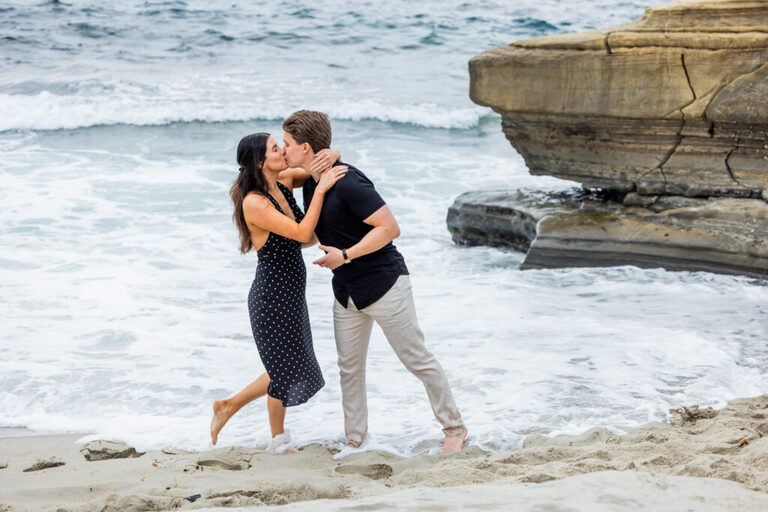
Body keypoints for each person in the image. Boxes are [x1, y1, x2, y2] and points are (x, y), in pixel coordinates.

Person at [281, 110, 468, 454]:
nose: (282, 150)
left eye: (287, 144)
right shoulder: (310, 179)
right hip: (347, 291)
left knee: (417, 359)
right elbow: (272, 172)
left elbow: (390, 228)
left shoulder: (349, 181)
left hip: (385, 285)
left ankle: (455, 429)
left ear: (306, 147)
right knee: (349, 368)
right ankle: (355, 439)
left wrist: (346, 255)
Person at [209, 133, 346, 453]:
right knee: (284, 370)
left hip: (292, 293)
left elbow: (315, 169)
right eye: (275, 149)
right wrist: (322, 191)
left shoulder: (283, 180)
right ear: (260, 163)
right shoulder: (254, 202)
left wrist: (334, 153)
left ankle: (229, 407)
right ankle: (277, 438)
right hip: (272, 296)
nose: (283, 151)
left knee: (292, 368)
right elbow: (301, 232)